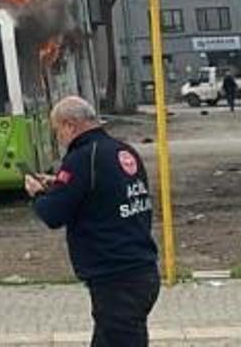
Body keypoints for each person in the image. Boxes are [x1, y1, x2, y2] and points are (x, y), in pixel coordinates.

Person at [26, 96, 160, 347]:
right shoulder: (123, 151)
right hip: (142, 269)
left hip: (115, 278)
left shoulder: (81, 158)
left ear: (69, 125)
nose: (59, 140)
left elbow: (53, 215)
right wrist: (61, 185)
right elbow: (105, 193)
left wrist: (38, 194)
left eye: (57, 132)